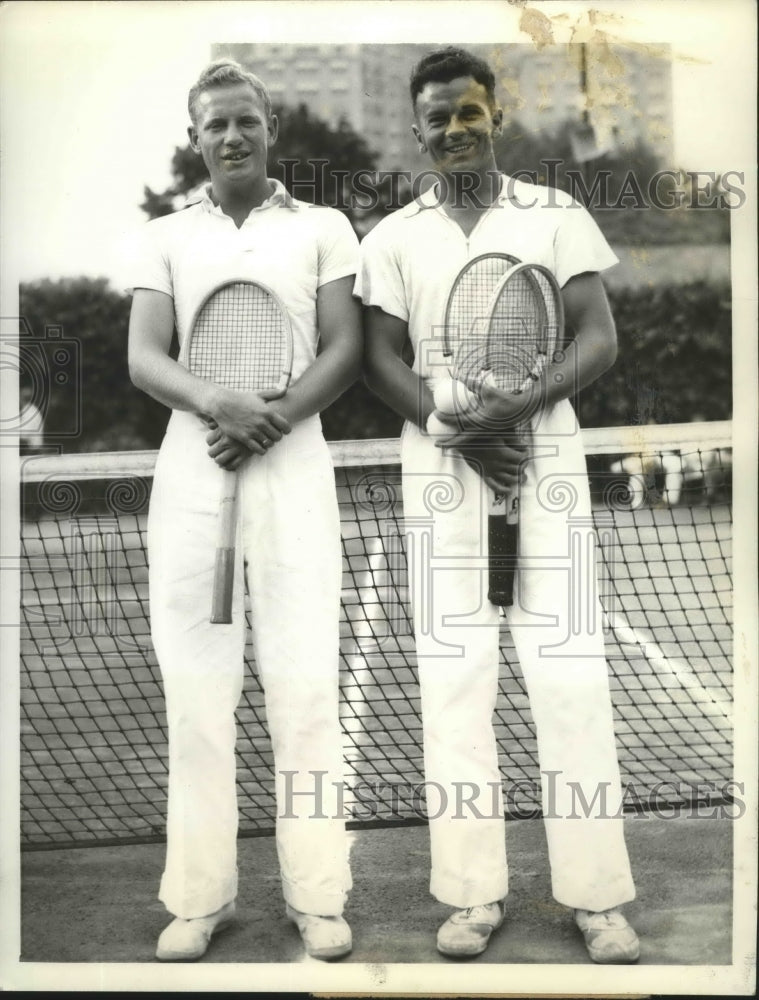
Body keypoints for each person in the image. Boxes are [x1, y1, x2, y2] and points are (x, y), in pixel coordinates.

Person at [357, 46, 640, 964]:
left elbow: (596, 335)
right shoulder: (391, 236)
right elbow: (378, 360)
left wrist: (525, 399)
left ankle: (595, 899)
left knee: (568, 677)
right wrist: (454, 424)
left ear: (495, 116)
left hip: (543, 452)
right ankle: (473, 896)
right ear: (417, 128)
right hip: (440, 464)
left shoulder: (554, 213)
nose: (452, 129)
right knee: (454, 684)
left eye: (467, 112)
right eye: (435, 116)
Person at [127, 59, 361, 962]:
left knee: (304, 689)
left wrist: (272, 417)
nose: (232, 136)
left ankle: (319, 895)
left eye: (246, 122)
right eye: (215, 124)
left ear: (271, 130)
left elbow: (341, 349)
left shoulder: (324, 226)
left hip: (293, 462)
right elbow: (148, 359)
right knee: (197, 696)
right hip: (194, 465)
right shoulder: (164, 238)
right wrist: (219, 404)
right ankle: (199, 898)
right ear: (196, 138)